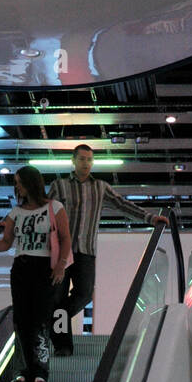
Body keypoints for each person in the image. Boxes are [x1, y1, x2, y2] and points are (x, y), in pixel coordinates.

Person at [48, 144, 167, 354]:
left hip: (86, 250)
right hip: (61, 251)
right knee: (58, 296)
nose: (86, 163)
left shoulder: (100, 187)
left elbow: (123, 205)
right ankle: (62, 347)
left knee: (84, 294)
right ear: (73, 161)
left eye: (89, 159)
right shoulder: (60, 185)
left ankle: (55, 316)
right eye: (82, 159)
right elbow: (45, 214)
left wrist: (150, 218)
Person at [0, 166, 71, 382]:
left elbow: (65, 238)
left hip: (44, 266)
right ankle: (21, 370)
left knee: (40, 319)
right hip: (21, 267)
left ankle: (40, 370)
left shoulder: (54, 208)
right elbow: (7, 242)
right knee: (21, 319)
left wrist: (61, 265)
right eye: (16, 182)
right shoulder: (15, 213)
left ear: (31, 182)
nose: (16, 186)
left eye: (19, 181)